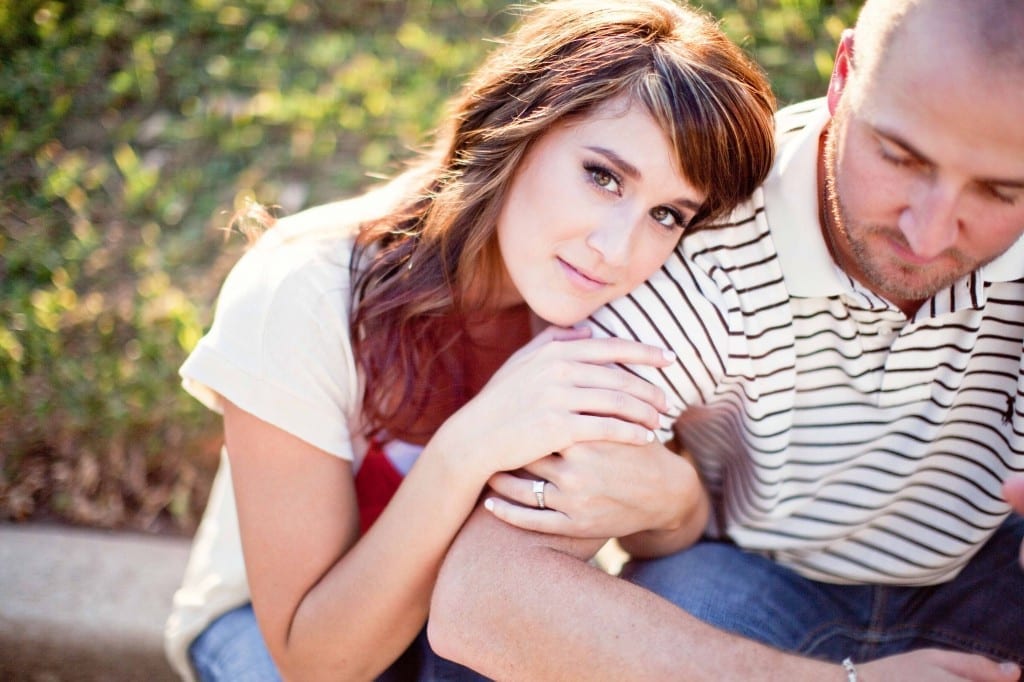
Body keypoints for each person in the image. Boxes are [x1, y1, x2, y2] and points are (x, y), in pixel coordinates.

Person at [163, 0, 781, 679]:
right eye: (603, 177)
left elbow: (648, 531)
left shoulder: (634, 302)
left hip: (462, 620)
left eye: (667, 214)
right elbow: (316, 659)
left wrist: (678, 497)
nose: (616, 249)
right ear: (514, 126)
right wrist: (469, 445)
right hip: (273, 624)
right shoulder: (304, 293)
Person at [428, 0, 1024, 679]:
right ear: (843, 75)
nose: (929, 233)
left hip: (990, 572)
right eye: (898, 157)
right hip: (751, 583)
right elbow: (484, 594)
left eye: (1000, 193)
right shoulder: (694, 232)